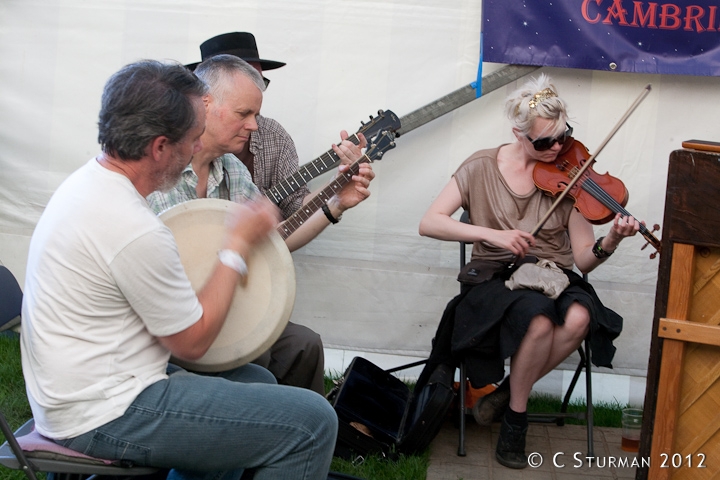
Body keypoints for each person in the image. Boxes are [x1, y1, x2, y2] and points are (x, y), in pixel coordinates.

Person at [20, 59, 338, 480]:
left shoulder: (91, 183)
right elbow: (193, 344)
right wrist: (235, 245)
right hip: (101, 411)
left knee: (256, 377)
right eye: (191, 140)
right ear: (159, 147)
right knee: (313, 421)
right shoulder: (131, 226)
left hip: (89, 386)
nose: (194, 150)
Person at [418, 74, 640, 469]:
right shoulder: (481, 166)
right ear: (519, 135)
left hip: (551, 274)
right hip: (495, 275)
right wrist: (495, 235)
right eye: (544, 142)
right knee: (538, 320)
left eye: (562, 136)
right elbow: (431, 222)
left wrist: (614, 240)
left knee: (580, 316)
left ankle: (505, 394)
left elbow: (585, 258)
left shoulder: (572, 175)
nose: (558, 148)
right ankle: (515, 423)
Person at [147, 51, 374, 396]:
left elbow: (274, 238)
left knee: (304, 344)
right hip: (171, 325)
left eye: (256, 113)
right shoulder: (159, 169)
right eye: (244, 113)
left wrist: (336, 202)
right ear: (204, 104)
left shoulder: (232, 169)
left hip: (227, 304)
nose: (255, 125)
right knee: (257, 352)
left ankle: (299, 437)